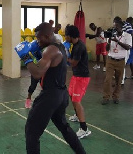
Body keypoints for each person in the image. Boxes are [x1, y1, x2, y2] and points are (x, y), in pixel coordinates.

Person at [15, 22, 86, 154]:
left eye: (39, 38)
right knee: (64, 127)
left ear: (47, 35)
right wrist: (37, 56)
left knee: (31, 132)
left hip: (50, 96)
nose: (37, 41)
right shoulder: (60, 48)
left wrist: (25, 57)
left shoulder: (50, 50)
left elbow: (37, 74)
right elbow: (50, 66)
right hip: (61, 94)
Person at [65, 26, 91, 139]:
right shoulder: (74, 45)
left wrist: (64, 56)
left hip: (82, 77)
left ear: (70, 36)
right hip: (76, 75)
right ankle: (76, 115)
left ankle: (84, 129)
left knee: (76, 101)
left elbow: (74, 63)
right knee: (71, 95)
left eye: (66, 35)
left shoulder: (79, 47)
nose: (65, 37)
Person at [102, 20, 132, 105]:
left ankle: (115, 96)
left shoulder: (127, 36)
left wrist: (117, 41)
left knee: (119, 80)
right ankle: (106, 97)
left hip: (121, 61)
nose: (116, 28)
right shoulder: (111, 35)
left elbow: (127, 47)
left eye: (117, 26)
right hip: (111, 60)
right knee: (108, 79)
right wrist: (109, 41)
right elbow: (107, 49)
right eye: (114, 26)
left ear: (122, 27)